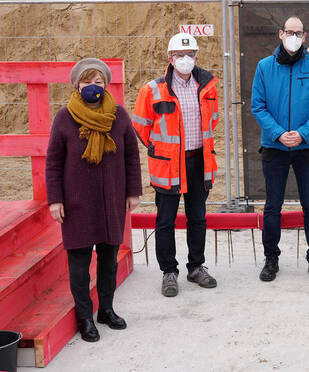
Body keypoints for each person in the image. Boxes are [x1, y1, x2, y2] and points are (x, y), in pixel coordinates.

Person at [46, 58, 142, 342]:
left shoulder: (119, 115)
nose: (93, 87)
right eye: (87, 82)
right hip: (76, 203)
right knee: (79, 262)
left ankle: (107, 310)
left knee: (109, 259)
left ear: (105, 85)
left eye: (98, 82)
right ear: (77, 85)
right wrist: (55, 200)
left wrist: (133, 191)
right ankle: (85, 317)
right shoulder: (64, 117)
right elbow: (53, 162)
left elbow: (131, 157)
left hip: (111, 199)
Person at [132, 33, 219, 297]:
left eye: (190, 54)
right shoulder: (153, 89)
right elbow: (141, 125)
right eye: (180, 55)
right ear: (170, 58)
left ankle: (196, 267)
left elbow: (212, 121)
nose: (186, 59)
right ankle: (169, 271)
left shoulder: (207, 85)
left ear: (196, 57)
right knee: (165, 220)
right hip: (168, 165)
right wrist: (162, 150)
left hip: (198, 162)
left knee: (198, 218)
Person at [251, 16, 309, 284]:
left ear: (305, 37)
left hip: (306, 148)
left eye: (298, 32)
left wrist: (303, 134)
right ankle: (271, 259)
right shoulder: (264, 68)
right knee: (273, 206)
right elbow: (258, 106)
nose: (294, 37)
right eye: (289, 32)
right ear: (280, 34)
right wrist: (278, 133)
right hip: (275, 147)